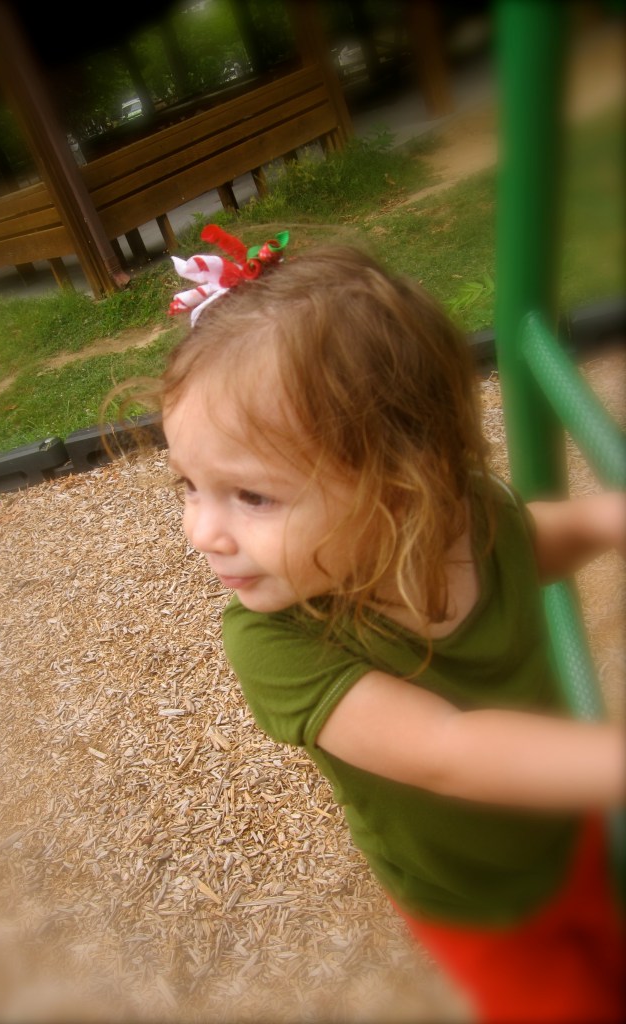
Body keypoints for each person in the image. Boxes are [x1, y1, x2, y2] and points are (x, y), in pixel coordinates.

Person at [141, 226, 626, 1022]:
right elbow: (448, 750)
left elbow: (526, 544)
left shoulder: (465, 515)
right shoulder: (277, 641)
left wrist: (605, 520)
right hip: (478, 905)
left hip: (567, 820)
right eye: (187, 485)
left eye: (250, 496)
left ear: (401, 485)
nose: (201, 531)